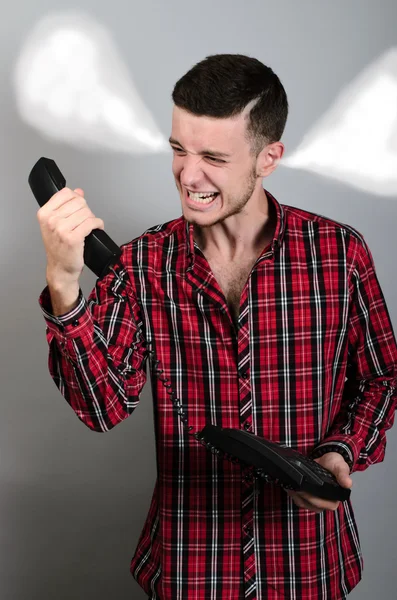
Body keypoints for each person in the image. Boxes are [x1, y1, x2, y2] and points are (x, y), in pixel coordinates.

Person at [36, 54, 397, 600]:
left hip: (307, 567)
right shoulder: (140, 264)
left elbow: (383, 377)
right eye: (179, 149)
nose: (188, 174)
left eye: (213, 156)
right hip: (188, 567)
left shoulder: (339, 254)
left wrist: (341, 452)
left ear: (268, 157)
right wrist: (65, 289)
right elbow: (102, 407)